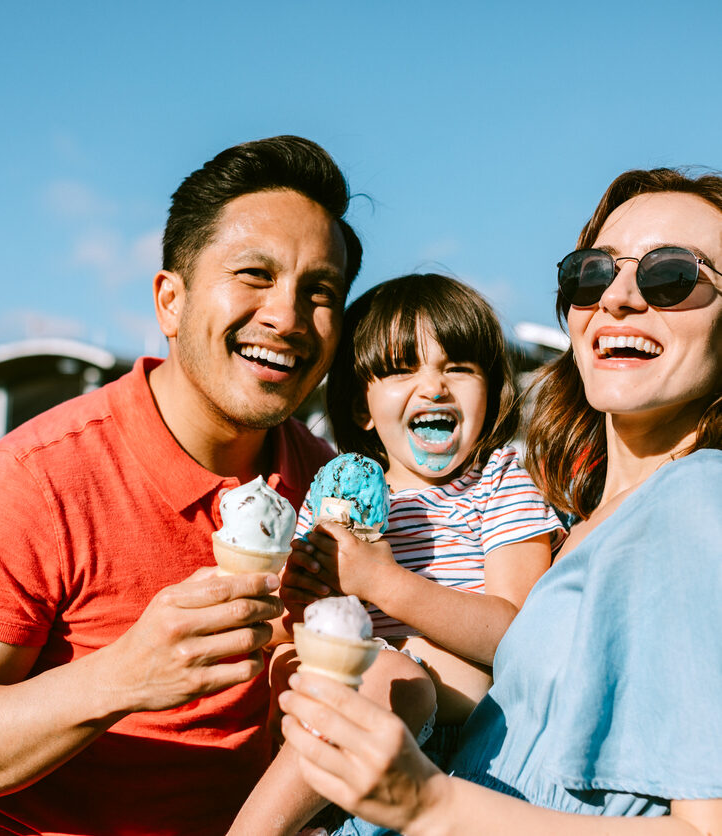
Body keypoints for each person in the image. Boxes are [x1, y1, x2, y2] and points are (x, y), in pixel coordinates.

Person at [0, 135, 363, 836]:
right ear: (170, 301)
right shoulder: (37, 478)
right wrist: (124, 676)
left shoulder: (331, 492)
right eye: (255, 274)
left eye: (319, 291)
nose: (287, 317)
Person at [279, 167, 722, 835]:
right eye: (592, 274)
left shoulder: (695, 498)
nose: (619, 298)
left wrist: (432, 806)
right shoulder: (584, 524)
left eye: (672, 277)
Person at [229, 274, 565, 835]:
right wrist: (300, 600)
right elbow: (289, 640)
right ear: (362, 407)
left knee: (396, 676)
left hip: (463, 762)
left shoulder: (501, 482)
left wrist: (381, 582)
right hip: (336, 757)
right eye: (402, 368)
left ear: (492, 389)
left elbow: (517, 636)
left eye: (458, 366)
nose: (433, 387)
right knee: (374, 672)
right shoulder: (330, 496)